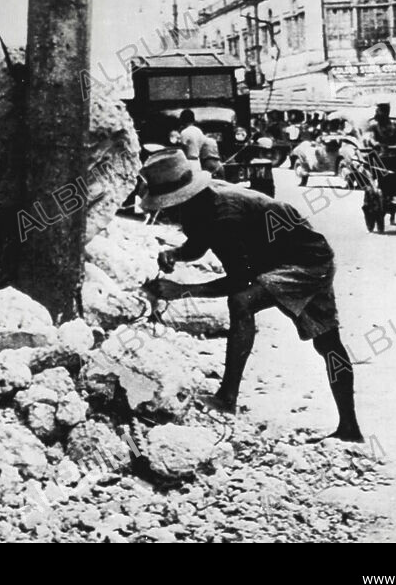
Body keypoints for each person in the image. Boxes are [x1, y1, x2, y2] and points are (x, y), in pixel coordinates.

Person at [139, 149, 363, 441]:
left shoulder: (224, 212)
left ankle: (227, 397)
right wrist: (176, 254)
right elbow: (198, 245)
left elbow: (239, 280)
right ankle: (349, 428)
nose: (166, 212)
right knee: (326, 341)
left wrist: (183, 291)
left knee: (246, 304)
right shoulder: (200, 205)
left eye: (168, 206)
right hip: (274, 258)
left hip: (306, 260)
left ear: (183, 197)